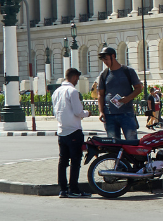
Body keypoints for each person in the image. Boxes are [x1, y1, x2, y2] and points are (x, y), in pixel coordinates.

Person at [52, 67, 91, 198]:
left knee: (63, 162)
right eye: (77, 79)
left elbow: (55, 112)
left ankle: (63, 189)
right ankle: (73, 188)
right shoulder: (72, 91)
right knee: (75, 161)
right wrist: (87, 113)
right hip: (74, 130)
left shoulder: (56, 92)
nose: (77, 81)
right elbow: (78, 111)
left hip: (61, 131)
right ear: (74, 77)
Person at [95, 46, 143, 142]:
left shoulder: (128, 71)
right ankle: (116, 158)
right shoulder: (104, 75)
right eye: (103, 60)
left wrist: (128, 98)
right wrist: (101, 112)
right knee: (113, 145)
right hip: (109, 115)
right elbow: (100, 94)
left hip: (126, 114)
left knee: (132, 142)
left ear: (113, 56)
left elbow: (138, 88)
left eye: (106, 59)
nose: (105, 62)